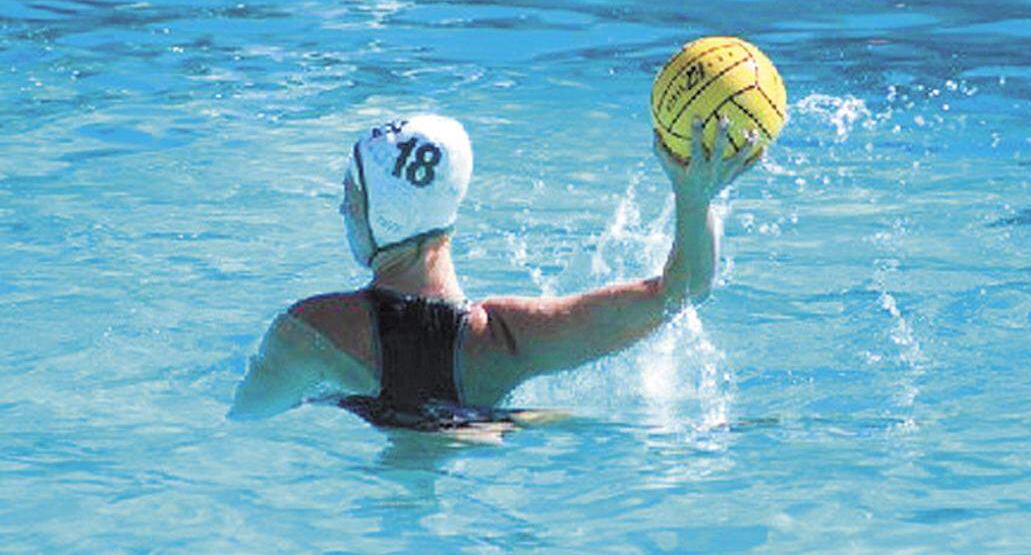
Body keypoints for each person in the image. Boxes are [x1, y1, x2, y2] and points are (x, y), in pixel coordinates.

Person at [228, 113, 760, 431]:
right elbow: (683, 290)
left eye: (353, 197)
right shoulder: (508, 339)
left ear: (385, 212)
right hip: (486, 440)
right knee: (532, 425)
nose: (343, 210)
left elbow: (243, 421)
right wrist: (695, 199)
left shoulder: (313, 330)